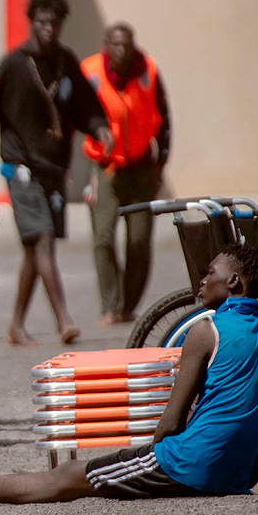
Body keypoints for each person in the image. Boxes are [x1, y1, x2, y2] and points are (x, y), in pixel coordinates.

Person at [0, 244, 258, 509]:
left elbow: (170, 423)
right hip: (239, 476)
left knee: (68, 476)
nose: (203, 280)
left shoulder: (207, 330)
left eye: (211, 273)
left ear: (235, 283)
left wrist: (153, 455)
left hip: (192, 466)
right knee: (91, 470)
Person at [0, 0, 112, 346]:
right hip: (21, 169)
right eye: (42, 22)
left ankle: (15, 326)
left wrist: (100, 128)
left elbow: (87, 108)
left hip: (54, 170)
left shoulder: (66, 62)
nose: (48, 29)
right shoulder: (13, 64)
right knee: (42, 240)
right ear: (32, 22)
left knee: (36, 248)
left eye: (54, 23)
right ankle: (64, 319)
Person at [82, 23, 171, 326]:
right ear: (106, 45)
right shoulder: (90, 72)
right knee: (102, 238)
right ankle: (110, 304)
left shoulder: (148, 71)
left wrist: (160, 165)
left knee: (139, 240)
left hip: (141, 167)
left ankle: (128, 305)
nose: (121, 51)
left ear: (133, 46)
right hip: (105, 168)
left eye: (126, 45)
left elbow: (164, 117)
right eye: (115, 45)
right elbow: (77, 115)